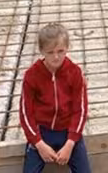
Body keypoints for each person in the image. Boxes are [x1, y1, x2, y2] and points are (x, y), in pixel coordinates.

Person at [20, 23, 91, 173]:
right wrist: (38, 143)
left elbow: (80, 110)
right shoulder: (32, 76)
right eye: (50, 52)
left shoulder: (75, 73)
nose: (56, 57)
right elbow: (25, 113)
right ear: (42, 51)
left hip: (68, 132)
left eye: (60, 51)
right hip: (42, 132)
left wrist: (70, 143)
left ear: (67, 48)